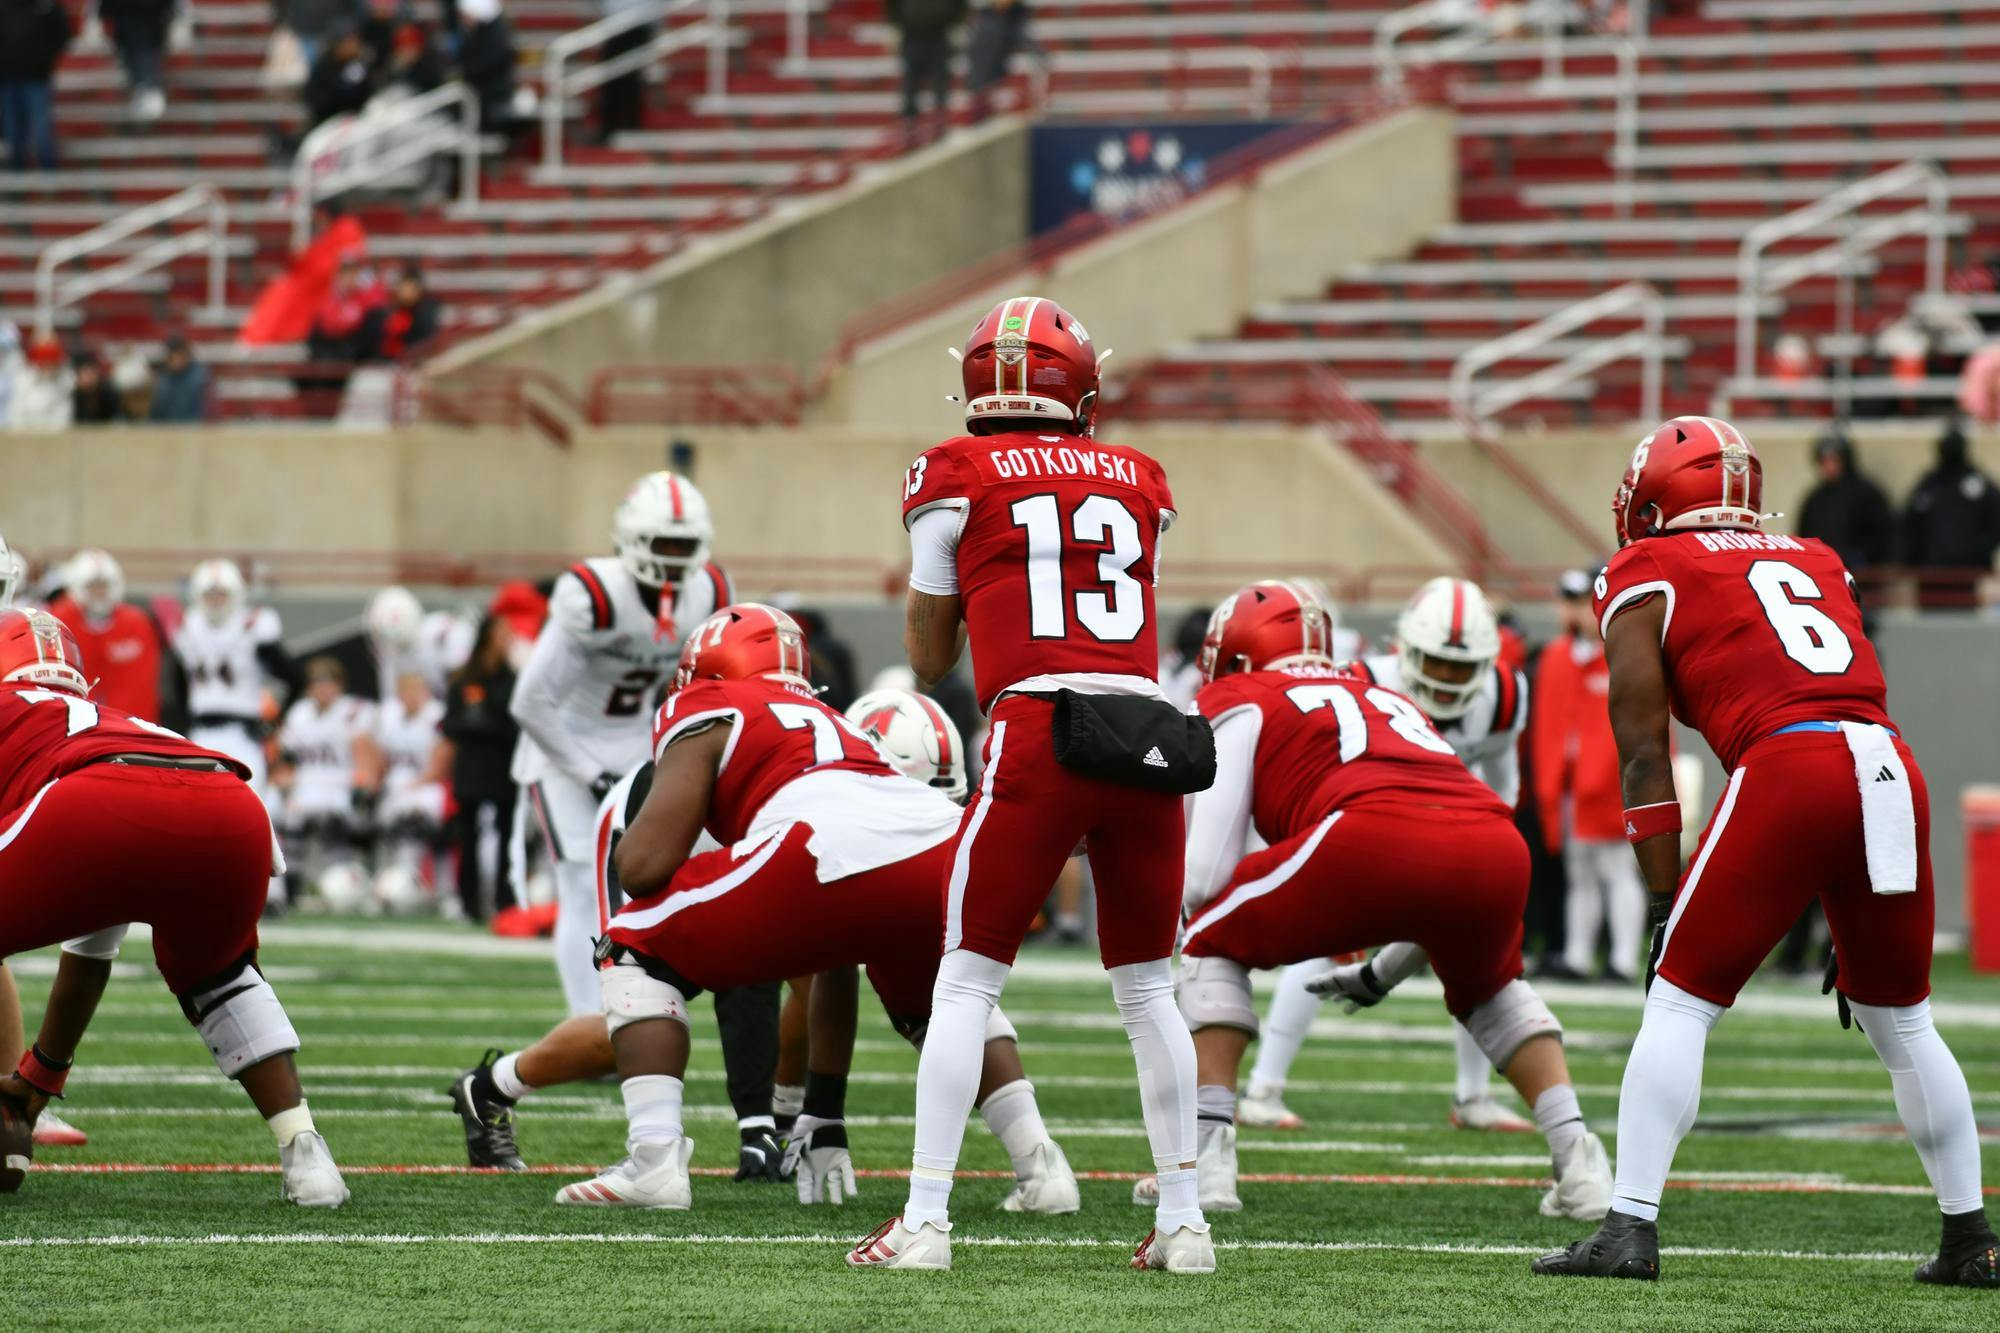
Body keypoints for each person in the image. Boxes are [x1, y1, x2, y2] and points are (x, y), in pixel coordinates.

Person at [1533, 416, 1998, 1287]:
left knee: (1679, 998)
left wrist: (1667, 898)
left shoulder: (1645, 568)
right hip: (1887, 765)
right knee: (1905, 1019)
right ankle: (1972, 1237)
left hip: (1789, 763)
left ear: (1656, 499)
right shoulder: (1819, 557)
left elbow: (1641, 749)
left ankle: (1628, 1224)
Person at [849, 297, 1214, 1274]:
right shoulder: (1139, 477)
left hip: (1038, 727)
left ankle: (925, 1218)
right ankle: (1184, 1222)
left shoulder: (954, 471)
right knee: (1149, 992)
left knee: (964, 977)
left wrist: (965, 586)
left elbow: (927, 658)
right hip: (1142, 734)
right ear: (1079, 389)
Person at [548, 620, 1082, 1213]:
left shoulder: (708, 703)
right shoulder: (832, 720)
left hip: (824, 842)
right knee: (938, 1004)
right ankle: (1040, 1166)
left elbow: (645, 866)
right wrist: (823, 1108)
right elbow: (838, 956)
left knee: (631, 942)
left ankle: (653, 1161)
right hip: (945, 842)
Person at [1165, 581, 1611, 1219]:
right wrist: (1382, 970)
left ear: (1234, 653)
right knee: (1493, 989)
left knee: (1210, 934)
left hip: (1366, 835)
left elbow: (1206, 875)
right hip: (1493, 842)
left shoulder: (1240, 694)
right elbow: (1429, 872)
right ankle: (1581, 1162)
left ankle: (1206, 1158)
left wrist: (1199, 923)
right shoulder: (1378, 693)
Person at [0, 609, 348, 1206]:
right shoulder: (116, 721)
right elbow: (90, 952)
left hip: (95, 801)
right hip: (230, 803)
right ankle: (306, 1154)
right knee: (223, 979)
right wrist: (40, 1077)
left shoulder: (19, 718)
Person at [1240, 577, 1532, 1135]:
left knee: (1482, 951)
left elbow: (1504, 789)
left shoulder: (1505, 698)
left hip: (1449, 836)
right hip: (1367, 829)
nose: (1446, 679)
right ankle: (1263, 1089)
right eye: (1436, 663)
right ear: (1406, 649)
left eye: (1460, 666)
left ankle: (1474, 1096)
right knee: (1324, 943)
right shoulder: (1362, 681)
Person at [509, 472, 733, 1019]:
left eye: (685, 546)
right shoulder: (593, 594)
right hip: (562, 747)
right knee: (582, 885)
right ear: (632, 539)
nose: (676, 559)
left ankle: (635, 1005)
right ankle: (588, 1023)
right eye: (664, 545)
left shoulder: (706, 591)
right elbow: (531, 702)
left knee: (644, 881)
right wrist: (587, 772)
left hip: (636, 746)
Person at [1532, 568, 1642, 983]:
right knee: (1579, 872)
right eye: (1570, 603)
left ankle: (1622, 958)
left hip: (1610, 784)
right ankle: (1578, 956)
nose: (1576, 613)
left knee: (1617, 869)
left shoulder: (1621, 653)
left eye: (1582, 603)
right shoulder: (1558, 656)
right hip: (1568, 786)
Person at [175, 559, 298, 906]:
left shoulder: (254, 624)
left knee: (253, 809)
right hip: (200, 733)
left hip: (241, 734)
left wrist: (276, 720)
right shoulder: (188, 625)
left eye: (222, 592)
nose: (215, 600)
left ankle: (271, 891)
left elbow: (294, 675)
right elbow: (179, 685)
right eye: (209, 593)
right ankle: (200, 885)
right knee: (192, 813)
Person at [273, 656, 375, 908]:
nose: (323, 688)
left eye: (329, 682)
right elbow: (285, 757)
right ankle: (289, 886)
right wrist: (283, 780)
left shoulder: (352, 712)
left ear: (340, 686)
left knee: (331, 819)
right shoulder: (300, 713)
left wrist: (364, 785)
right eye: (318, 683)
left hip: (339, 783)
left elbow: (366, 757)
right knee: (284, 812)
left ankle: (343, 888)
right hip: (305, 783)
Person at [439, 613, 520, 921]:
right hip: (471, 767)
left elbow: (514, 721)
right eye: (502, 634)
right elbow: (452, 723)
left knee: (507, 835)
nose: (508, 640)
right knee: (469, 835)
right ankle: (468, 901)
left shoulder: (512, 678)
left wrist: (482, 721)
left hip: (502, 767)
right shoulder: (465, 679)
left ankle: (504, 899)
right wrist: (486, 722)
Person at [48, 550, 175, 724]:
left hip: (129, 724)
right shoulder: (58, 621)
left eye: (104, 586)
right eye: (92, 586)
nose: (99, 592)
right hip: (75, 723)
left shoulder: (137, 624)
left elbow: (143, 683)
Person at [1902, 421, 2000, 610]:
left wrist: (1978, 553)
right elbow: (1909, 525)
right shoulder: (1928, 485)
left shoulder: (1978, 484)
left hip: (1965, 577)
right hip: (1931, 577)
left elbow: (1995, 521)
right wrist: (1914, 560)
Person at [1797, 429, 1894, 581]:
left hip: (1864, 581)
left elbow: (1885, 536)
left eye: (1834, 460)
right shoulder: (1815, 499)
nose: (1829, 466)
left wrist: (1864, 558)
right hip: (1824, 578)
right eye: (1824, 461)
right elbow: (1803, 539)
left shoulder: (1868, 494)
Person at [0, 0, 69, 172]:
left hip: (37, 76)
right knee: (12, 126)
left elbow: (61, 34)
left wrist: (44, 61)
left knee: (41, 124)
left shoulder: (46, 7)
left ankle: (49, 167)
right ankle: (17, 166)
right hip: (7, 77)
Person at [888, 0, 964, 139]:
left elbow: (959, 6)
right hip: (911, 37)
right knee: (910, 86)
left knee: (940, 86)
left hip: (940, 36)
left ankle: (940, 125)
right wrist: (894, 27)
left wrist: (958, 25)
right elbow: (892, 6)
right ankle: (909, 128)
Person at [96, 0, 172, 121]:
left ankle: (150, 93)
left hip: (149, 25)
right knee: (133, 63)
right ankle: (143, 93)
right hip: (127, 27)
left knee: (145, 60)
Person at [354, 265, 440, 363]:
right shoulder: (379, 314)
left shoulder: (425, 314)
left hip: (410, 364)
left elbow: (424, 343)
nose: (408, 292)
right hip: (380, 363)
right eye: (405, 286)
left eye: (412, 288)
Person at [454, 0, 516, 136]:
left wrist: (463, 73)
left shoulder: (494, 36)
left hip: (490, 98)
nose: (463, 20)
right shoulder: (475, 34)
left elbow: (487, 65)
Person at [965, 0, 1035, 119]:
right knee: (979, 107)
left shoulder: (1016, 17)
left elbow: (1022, 38)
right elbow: (974, 46)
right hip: (981, 68)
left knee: (993, 109)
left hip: (997, 71)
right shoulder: (984, 17)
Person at [591, 0, 649, 142]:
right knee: (611, 79)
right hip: (613, 26)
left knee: (630, 77)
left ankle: (629, 124)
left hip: (639, 24)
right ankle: (610, 127)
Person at [304, 26, 375, 130]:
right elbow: (316, 99)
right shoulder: (323, 68)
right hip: (327, 124)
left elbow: (366, 95)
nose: (353, 46)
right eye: (348, 42)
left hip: (356, 123)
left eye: (355, 42)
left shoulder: (358, 66)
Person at [148, 334, 211, 422]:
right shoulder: (162, 378)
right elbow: (157, 411)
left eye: (179, 356)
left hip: (194, 428)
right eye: (172, 357)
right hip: (166, 428)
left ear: (186, 356)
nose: (176, 361)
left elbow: (208, 411)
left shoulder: (199, 377)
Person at [70, 352, 125, 424]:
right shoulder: (74, 397)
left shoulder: (109, 394)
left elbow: (117, 419)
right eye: (84, 375)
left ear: (97, 375)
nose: (88, 379)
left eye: (90, 375)